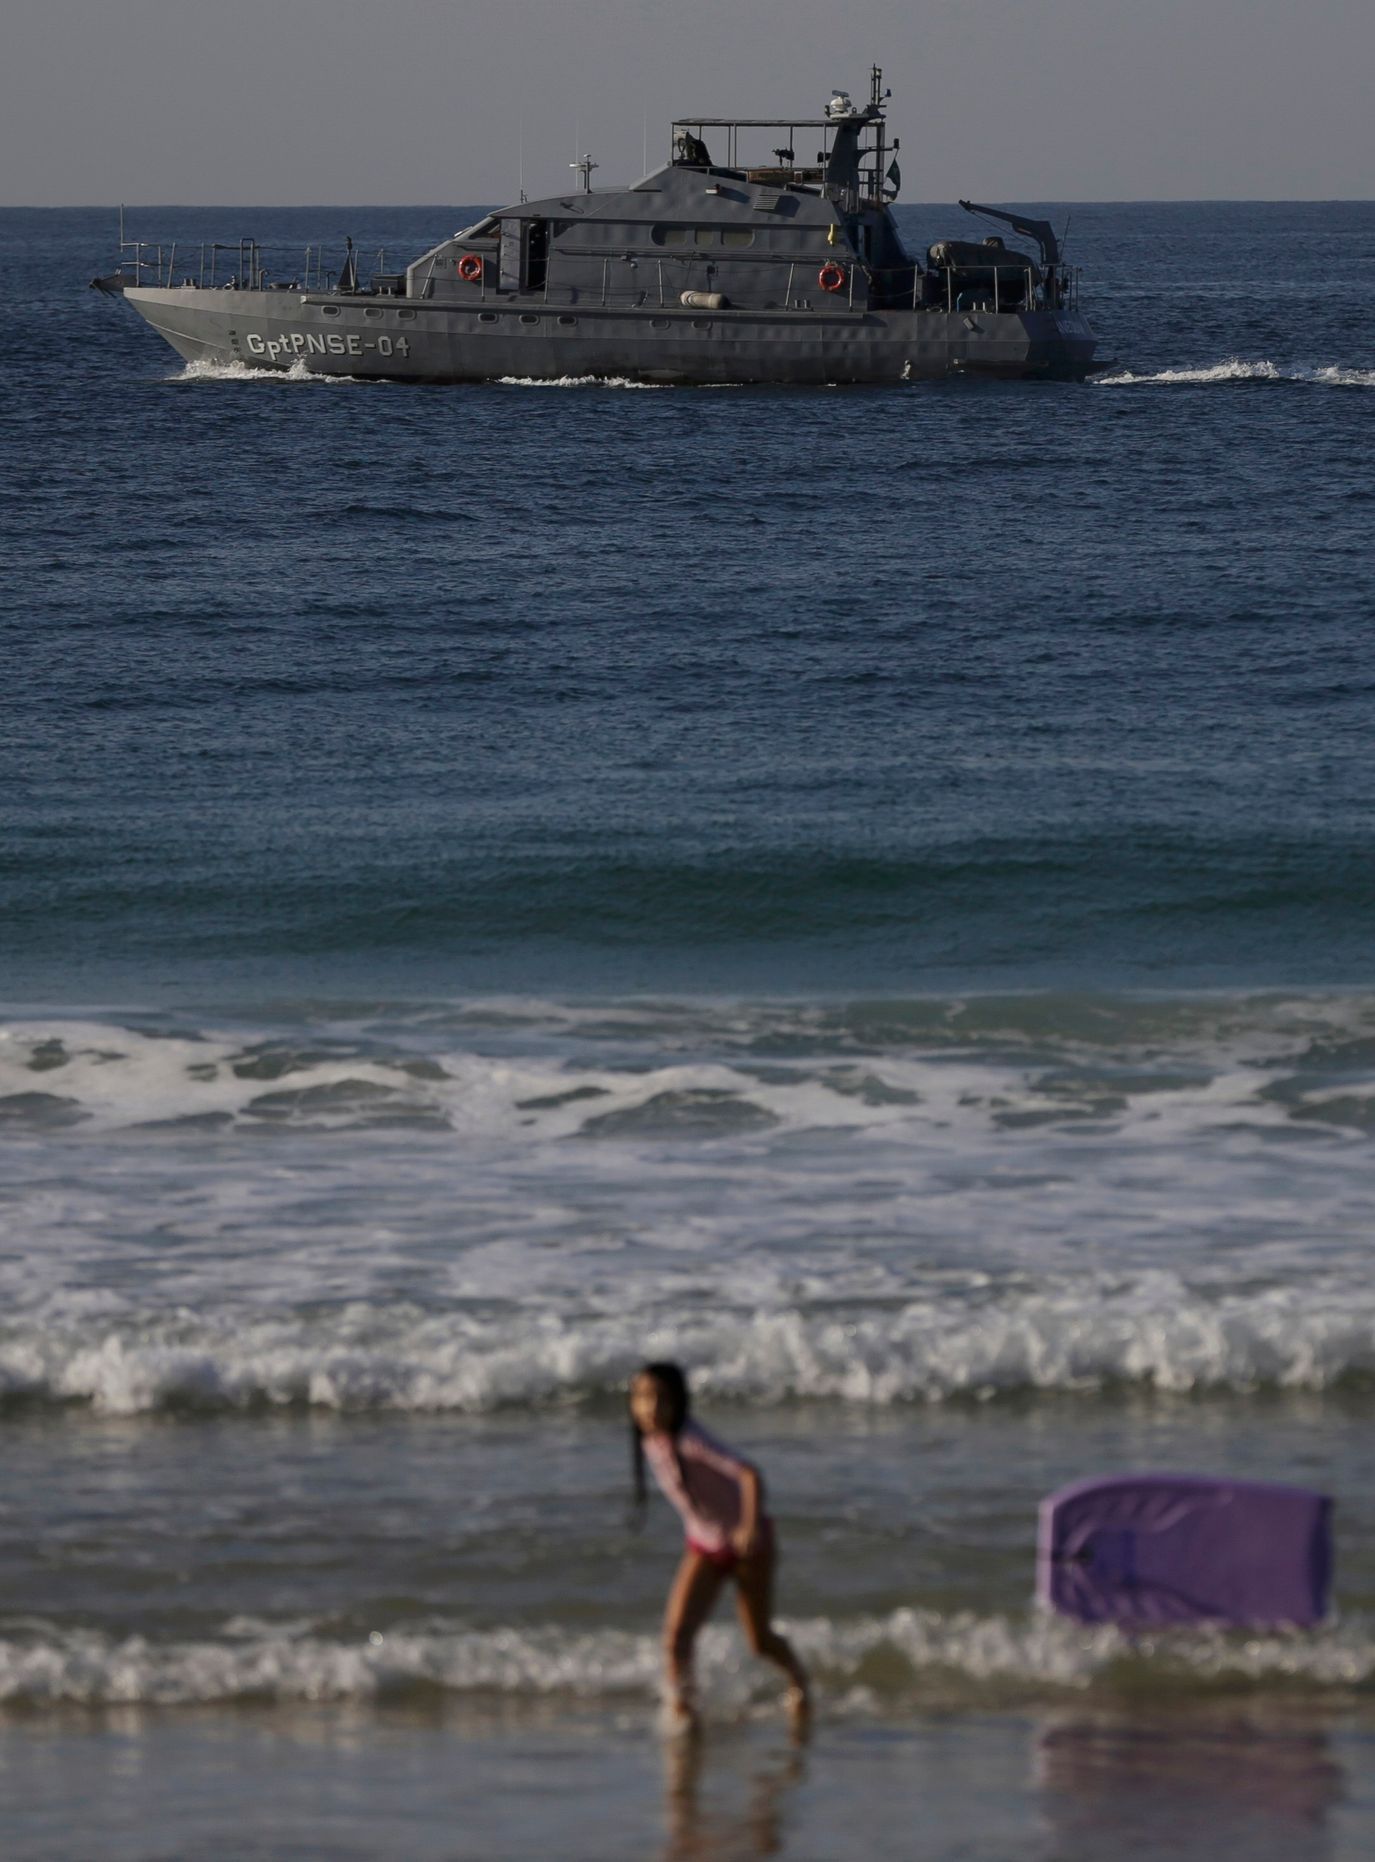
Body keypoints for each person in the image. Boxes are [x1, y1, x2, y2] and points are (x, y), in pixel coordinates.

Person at [629, 1360, 809, 1728]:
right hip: (704, 1547)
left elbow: (748, 1473)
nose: (651, 1408)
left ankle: (799, 1681)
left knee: (759, 1640)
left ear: (679, 1403)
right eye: (642, 1398)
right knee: (676, 1638)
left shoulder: (690, 1439)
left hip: (749, 1547)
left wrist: (748, 1527)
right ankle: (685, 1713)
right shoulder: (649, 1440)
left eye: (662, 1399)